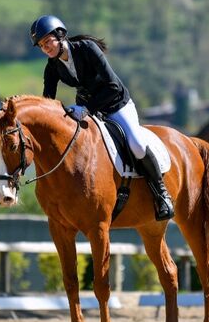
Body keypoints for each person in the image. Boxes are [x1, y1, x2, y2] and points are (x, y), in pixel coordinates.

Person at [29, 14, 174, 221]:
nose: (46, 47)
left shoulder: (87, 48)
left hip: (116, 104)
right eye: (42, 45)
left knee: (137, 144)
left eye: (48, 41)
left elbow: (112, 86)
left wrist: (86, 108)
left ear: (60, 35)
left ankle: (162, 194)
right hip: (86, 110)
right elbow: (47, 101)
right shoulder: (52, 68)